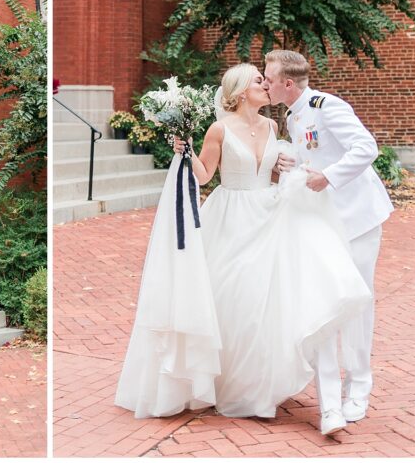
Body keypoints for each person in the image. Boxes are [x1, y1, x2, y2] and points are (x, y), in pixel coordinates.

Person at [115, 64, 371, 436]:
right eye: (257, 81)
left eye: (265, 80)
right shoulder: (219, 129)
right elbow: (204, 175)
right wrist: (183, 153)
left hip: (269, 214)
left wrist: (290, 170)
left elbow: (275, 170)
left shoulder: (272, 127)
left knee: (264, 301)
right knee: (232, 296)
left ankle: (258, 388)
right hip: (230, 215)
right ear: (237, 93)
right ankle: (226, 382)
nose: (264, 85)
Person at [264, 49, 393, 433]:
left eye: (268, 78)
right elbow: (312, 157)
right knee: (328, 300)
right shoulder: (292, 115)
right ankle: (335, 389)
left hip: (357, 219)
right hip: (324, 220)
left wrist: (329, 177)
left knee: (357, 302)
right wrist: (295, 166)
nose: (265, 83)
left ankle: (359, 386)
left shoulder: (326, 105)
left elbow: (365, 148)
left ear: (288, 83)